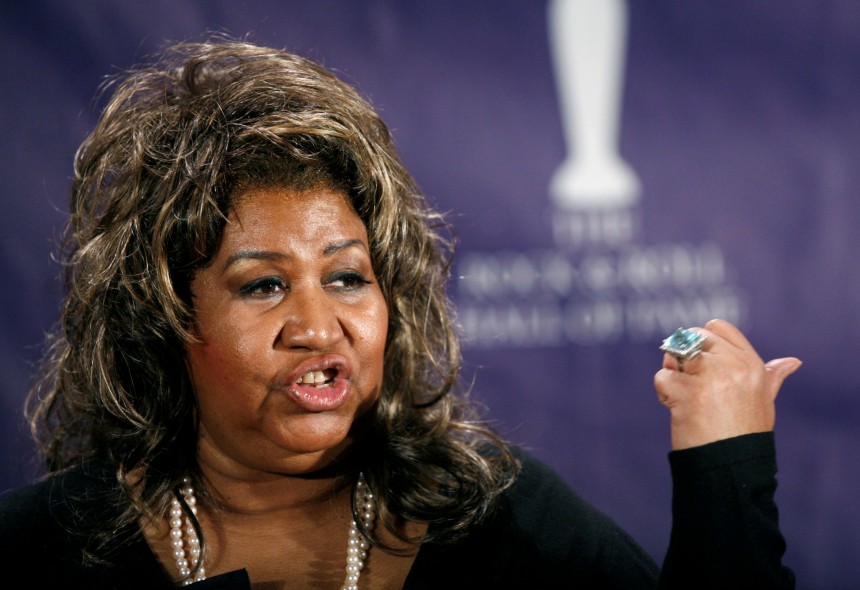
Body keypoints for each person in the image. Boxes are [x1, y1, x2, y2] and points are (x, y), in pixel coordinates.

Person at [0, 39, 801, 589]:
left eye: (348, 278)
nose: (319, 328)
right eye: (263, 286)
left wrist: (722, 466)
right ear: (166, 313)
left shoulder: (503, 523)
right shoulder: (42, 549)